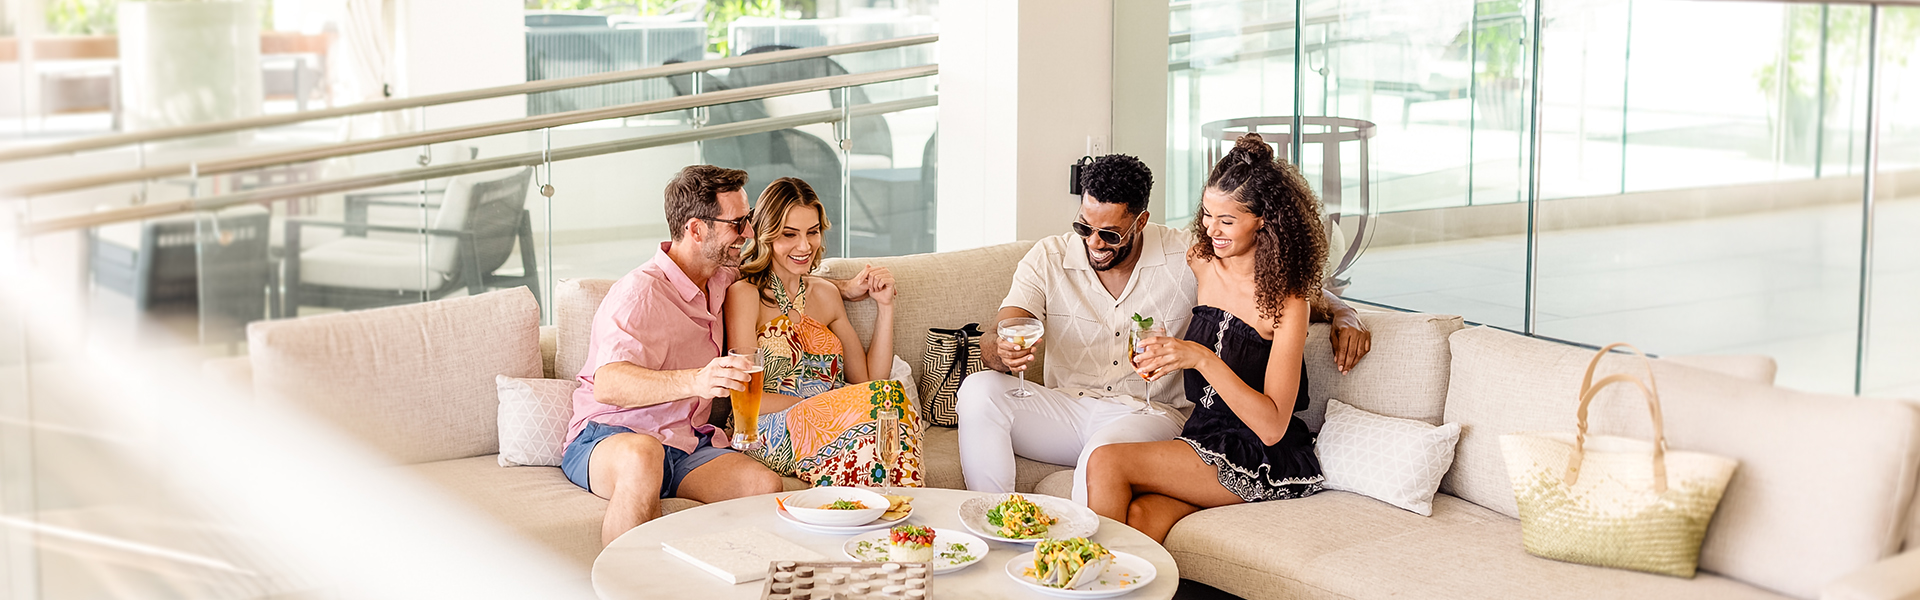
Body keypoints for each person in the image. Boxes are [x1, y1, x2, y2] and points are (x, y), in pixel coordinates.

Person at [956, 153, 1372, 506]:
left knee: (1103, 458)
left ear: (1141, 221)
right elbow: (1003, 332)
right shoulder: (1047, 256)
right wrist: (1002, 349)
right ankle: (992, 522)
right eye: (1084, 227)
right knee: (979, 390)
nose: (1093, 243)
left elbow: (1276, 288)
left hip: (1147, 414)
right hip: (1067, 409)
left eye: (1109, 233)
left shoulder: (1186, 253)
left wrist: (1343, 312)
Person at [563, 165, 891, 546]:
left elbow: (782, 274)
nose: (749, 232)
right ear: (696, 229)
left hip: (687, 442)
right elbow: (608, 383)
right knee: (644, 456)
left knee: (761, 484)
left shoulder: (721, 277)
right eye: (737, 224)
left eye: (748, 219)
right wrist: (698, 380)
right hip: (612, 437)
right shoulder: (640, 293)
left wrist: (846, 288)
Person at [1085, 134, 1330, 543]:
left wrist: (1199, 357)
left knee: (1107, 461)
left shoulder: (1289, 304)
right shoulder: (1201, 261)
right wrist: (1158, 353)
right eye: (1206, 215)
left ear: (1264, 220)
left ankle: (1074, 578)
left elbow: (1272, 426)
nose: (1211, 230)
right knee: (1142, 516)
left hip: (1257, 454)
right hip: (1200, 436)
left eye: (1227, 221)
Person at [724, 177, 922, 488]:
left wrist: (885, 306)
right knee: (886, 402)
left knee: (887, 403)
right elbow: (748, 399)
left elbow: (869, 380)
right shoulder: (744, 294)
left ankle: (881, 512)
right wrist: (827, 402)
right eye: (789, 234)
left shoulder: (826, 294)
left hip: (834, 421)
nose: (804, 246)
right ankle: (900, 519)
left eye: (812, 232)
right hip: (769, 428)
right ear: (767, 235)